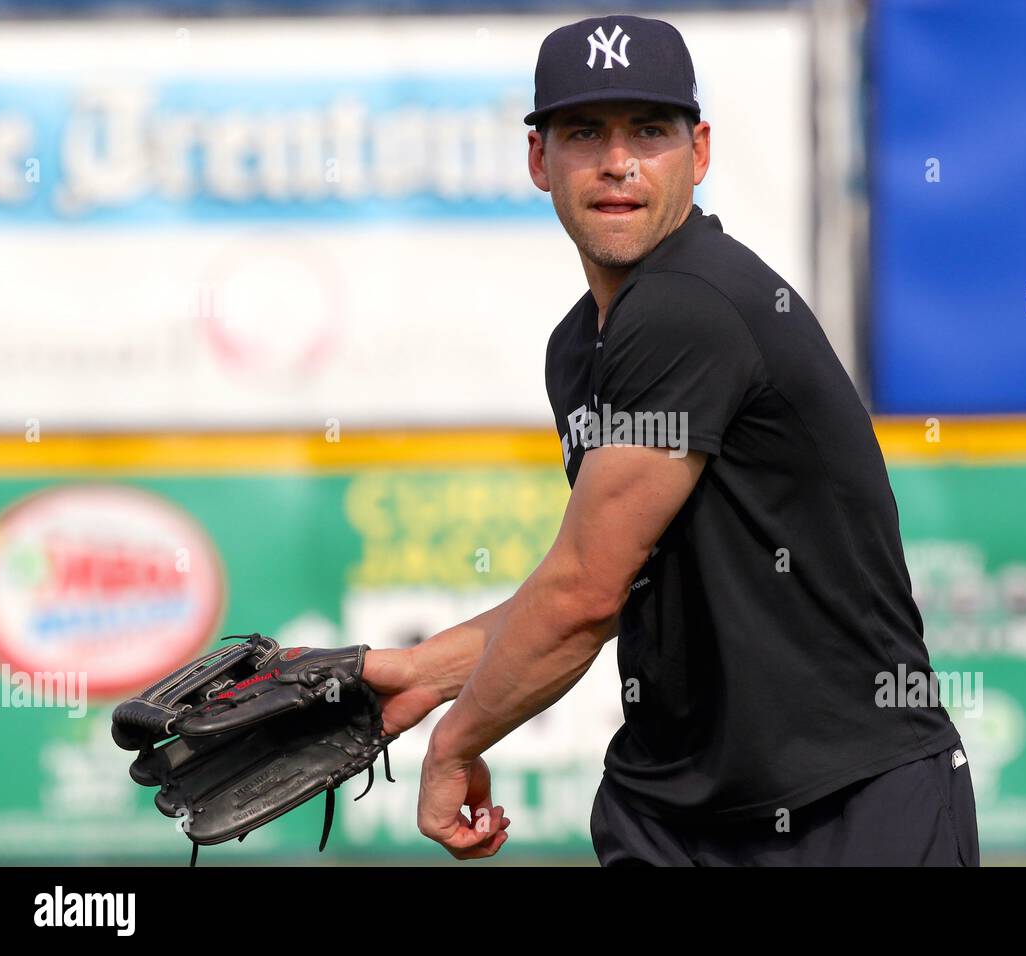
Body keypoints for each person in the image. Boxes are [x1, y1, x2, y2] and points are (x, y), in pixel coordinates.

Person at [362, 13, 979, 866]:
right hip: (674, 819)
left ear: (701, 151)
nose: (618, 162)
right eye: (585, 132)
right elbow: (611, 574)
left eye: (649, 131)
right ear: (539, 159)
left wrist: (454, 744)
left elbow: (583, 597)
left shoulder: (690, 303)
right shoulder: (581, 346)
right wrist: (424, 673)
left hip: (848, 810)